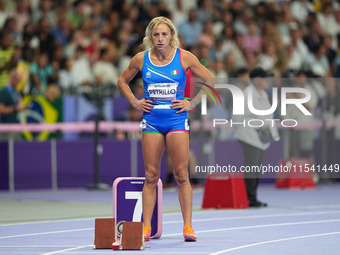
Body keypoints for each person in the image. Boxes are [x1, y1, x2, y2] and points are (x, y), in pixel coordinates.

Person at [117, 16, 214, 242]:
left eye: (164, 34)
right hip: (151, 120)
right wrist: (135, 101)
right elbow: (122, 81)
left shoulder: (185, 57)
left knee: (181, 174)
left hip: (176, 120)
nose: (160, 39)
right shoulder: (141, 59)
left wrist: (192, 102)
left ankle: (188, 227)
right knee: (151, 176)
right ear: (150, 37)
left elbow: (211, 80)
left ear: (172, 36)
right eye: (156, 35)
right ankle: (146, 228)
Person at [233, 67, 279, 208]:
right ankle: (249, 198)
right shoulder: (247, 94)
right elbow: (241, 117)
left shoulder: (263, 94)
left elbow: (268, 117)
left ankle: (252, 197)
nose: (268, 81)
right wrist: (259, 127)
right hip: (249, 135)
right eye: (265, 78)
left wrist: (272, 134)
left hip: (261, 137)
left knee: (256, 168)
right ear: (256, 80)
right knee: (251, 167)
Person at [0, 69, 27, 140]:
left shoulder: (16, 92)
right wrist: (15, 109)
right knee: (8, 149)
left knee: (17, 148)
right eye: (18, 81)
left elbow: (18, 107)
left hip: (16, 126)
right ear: (12, 78)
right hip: (7, 127)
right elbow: (1, 109)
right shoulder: (4, 92)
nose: (18, 83)